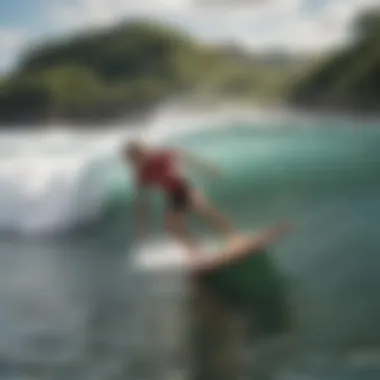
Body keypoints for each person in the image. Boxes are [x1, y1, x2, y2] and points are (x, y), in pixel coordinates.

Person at [122, 140, 238, 250]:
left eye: (138, 154)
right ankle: (196, 248)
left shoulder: (160, 155)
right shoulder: (142, 174)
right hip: (172, 194)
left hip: (184, 186)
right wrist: (140, 225)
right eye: (133, 159)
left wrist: (209, 168)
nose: (137, 160)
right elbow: (142, 201)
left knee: (203, 209)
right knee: (173, 227)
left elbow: (187, 156)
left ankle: (232, 236)